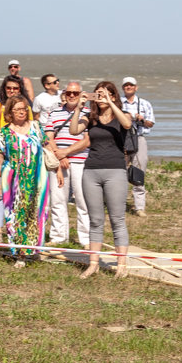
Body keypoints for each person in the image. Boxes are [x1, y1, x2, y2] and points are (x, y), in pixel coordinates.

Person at [70, 81, 133, 278]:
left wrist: (111, 103)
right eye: (97, 94)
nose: (100, 97)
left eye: (104, 94)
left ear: (114, 96)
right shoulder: (91, 118)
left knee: (117, 219)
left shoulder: (123, 115)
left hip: (115, 171)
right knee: (95, 220)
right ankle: (93, 263)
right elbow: (73, 131)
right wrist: (78, 109)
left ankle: (121, 265)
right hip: (91, 171)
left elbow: (127, 124)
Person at [0, 95, 58, 267]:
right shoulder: (3, 133)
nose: (22, 112)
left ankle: (33, 249)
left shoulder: (36, 127)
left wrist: (58, 170)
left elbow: (48, 146)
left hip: (37, 178)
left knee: (37, 212)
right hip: (12, 180)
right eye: (17, 109)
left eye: (24, 109)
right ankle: (20, 254)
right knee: (15, 214)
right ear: (10, 113)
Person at [0, 75, 31, 243]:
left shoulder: (25, 107)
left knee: (19, 195)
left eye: (15, 88)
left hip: (20, 157)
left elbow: (30, 127)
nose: (11, 91)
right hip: (0, 155)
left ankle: (18, 229)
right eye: (8, 88)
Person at [45, 82, 91, 248]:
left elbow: (87, 140)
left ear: (81, 95)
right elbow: (48, 137)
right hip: (58, 162)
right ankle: (58, 237)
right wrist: (59, 154)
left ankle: (86, 239)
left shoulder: (88, 113)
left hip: (80, 161)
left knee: (82, 201)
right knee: (57, 200)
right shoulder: (54, 112)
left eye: (76, 93)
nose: (72, 96)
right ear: (64, 94)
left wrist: (67, 152)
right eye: (69, 93)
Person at [120, 77, 155, 217]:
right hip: (122, 139)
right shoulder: (118, 103)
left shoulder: (144, 104)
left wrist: (142, 119)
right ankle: (117, 204)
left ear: (136, 87)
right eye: (126, 85)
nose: (128, 87)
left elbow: (151, 123)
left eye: (131, 85)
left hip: (139, 138)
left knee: (139, 171)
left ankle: (139, 207)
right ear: (123, 87)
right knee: (119, 171)